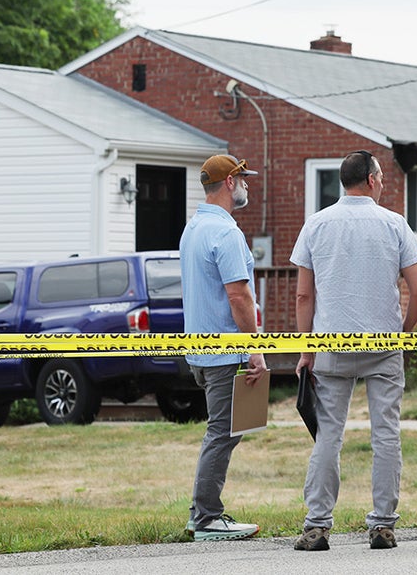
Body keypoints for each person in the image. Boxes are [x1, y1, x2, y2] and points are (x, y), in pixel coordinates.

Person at [291, 150, 417, 552]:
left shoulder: (315, 224)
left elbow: (303, 294)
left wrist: (305, 348)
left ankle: (317, 526)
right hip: (383, 343)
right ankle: (383, 525)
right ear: (370, 180)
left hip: (330, 343)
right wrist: (402, 335)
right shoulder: (394, 224)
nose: (383, 182)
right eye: (382, 177)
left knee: (328, 436)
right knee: (386, 434)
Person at [181, 154, 268, 542]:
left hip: (201, 349)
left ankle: (203, 512)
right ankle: (206, 517)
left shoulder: (194, 227)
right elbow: (239, 297)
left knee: (223, 429)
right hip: (226, 351)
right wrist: (255, 348)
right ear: (229, 183)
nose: (248, 184)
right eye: (243, 178)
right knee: (223, 431)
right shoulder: (226, 232)